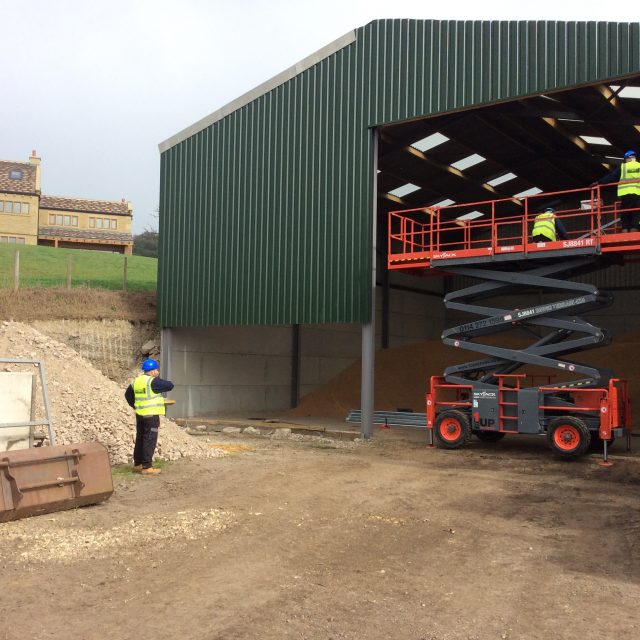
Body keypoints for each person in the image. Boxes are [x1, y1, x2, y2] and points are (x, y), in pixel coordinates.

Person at [125, 358, 174, 475]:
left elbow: (127, 395)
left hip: (140, 415)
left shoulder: (136, 381)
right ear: (152, 371)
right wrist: (157, 379)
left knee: (141, 438)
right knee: (150, 439)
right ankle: (147, 466)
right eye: (156, 370)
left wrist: (135, 406)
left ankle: (138, 464)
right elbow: (170, 385)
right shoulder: (152, 381)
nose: (158, 372)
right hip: (151, 416)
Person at [594, 150, 640, 232]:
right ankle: (634, 228)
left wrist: (599, 182)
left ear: (628, 158)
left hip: (625, 194)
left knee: (625, 212)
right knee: (636, 211)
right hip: (637, 194)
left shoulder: (623, 167)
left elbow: (611, 176)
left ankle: (625, 229)